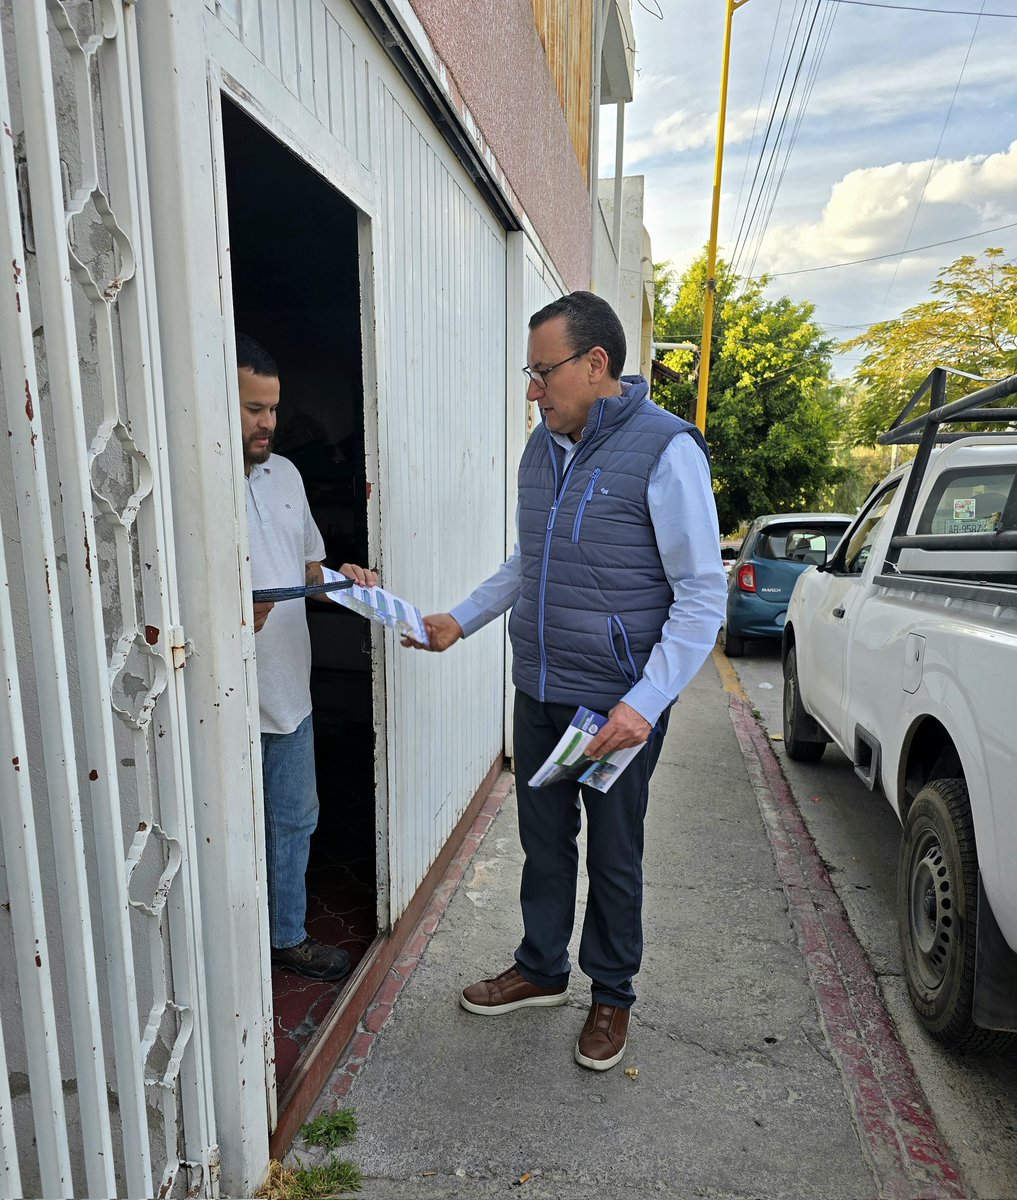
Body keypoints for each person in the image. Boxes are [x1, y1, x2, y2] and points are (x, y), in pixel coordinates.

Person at [402, 292, 727, 1070]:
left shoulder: (663, 450)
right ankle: (541, 970)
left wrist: (643, 705)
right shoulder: (541, 447)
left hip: (612, 707)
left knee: (614, 856)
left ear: (595, 364)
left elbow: (700, 594)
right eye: (530, 372)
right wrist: (460, 618)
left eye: (542, 371)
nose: (531, 389)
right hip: (541, 690)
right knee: (544, 845)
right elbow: (531, 561)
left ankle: (610, 994)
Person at [237, 333, 376, 982]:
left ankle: (284, 937)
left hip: (289, 692)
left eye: (272, 408)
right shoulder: (191, 488)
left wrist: (348, 579)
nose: (267, 423)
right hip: (222, 701)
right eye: (252, 408)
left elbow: (309, 570)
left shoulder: (287, 473)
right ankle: (227, 954)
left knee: (295, 820)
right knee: (223, 838)